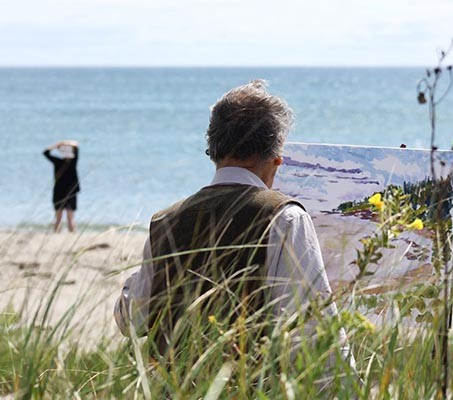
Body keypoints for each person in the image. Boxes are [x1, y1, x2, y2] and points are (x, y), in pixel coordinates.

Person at [114, 80, 353, 381]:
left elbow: (130, 321)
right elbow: (314, 336)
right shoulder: (285, 217)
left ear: (213, 151)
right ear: (276, 160)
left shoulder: (165, 221)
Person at [43, 140, 80, 232]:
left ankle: (57, 233)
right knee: (70, 218)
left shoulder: (57, 161)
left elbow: (46, 153)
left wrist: (56, 145)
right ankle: (71, 234)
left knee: (59, 217)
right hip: (71, 191)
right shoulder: (72, 162)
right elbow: (76, 146)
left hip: (59, 191)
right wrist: (66, 143)